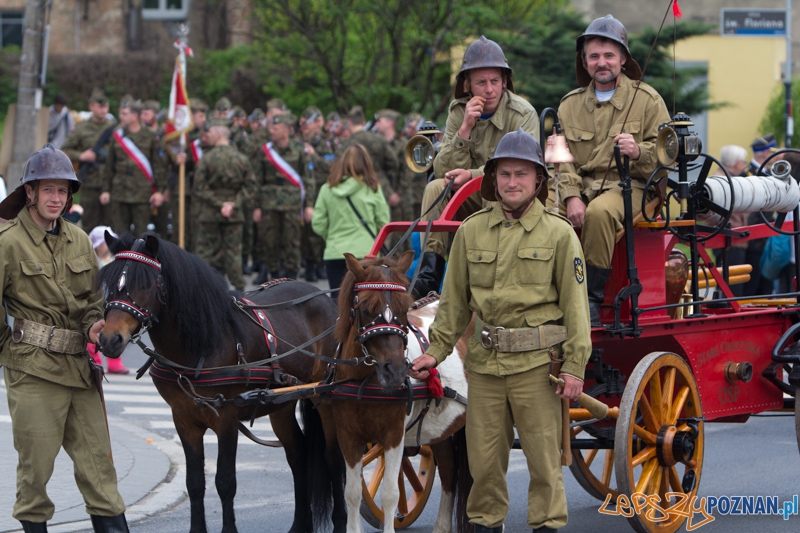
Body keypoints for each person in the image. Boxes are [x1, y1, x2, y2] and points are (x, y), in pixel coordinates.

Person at [408, 130, 591, 533]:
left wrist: (575, 367)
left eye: (521, 174)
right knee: (484, 467)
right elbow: (453, 303)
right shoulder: (472, 230)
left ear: (538, 180)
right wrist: (434, 353)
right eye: (505, 174)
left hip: (536, 368)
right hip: (485, 369)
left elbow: (577, 311)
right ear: (493, 179)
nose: (512, 182)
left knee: (544, 465)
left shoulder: (559, 234)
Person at [0, 144, 129, 532]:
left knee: (100, 472)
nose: (56, 198)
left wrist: (94, 324)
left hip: (79, 370)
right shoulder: (7, 242)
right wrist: (7, 348)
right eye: (48, 190)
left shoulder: (78, 240)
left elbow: (93, 301)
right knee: (35, 476)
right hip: (34, 373)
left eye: (63, 191)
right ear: (31, 192)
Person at [555, 14, 670, 326]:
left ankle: (591, 301)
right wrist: (570, 197)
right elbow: (562, 160)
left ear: (622, 59)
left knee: (599, 212)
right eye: (594, 56)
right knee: (537, 215)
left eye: (609, 55)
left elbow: (667, 157)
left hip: (634, 188)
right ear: (585, 61)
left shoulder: (647, 100)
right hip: (583, 188)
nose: (601, 62)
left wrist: (639, 151)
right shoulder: (569, 105)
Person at [415, 35, 539, 297]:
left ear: (505, 82)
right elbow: (442, 170)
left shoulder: (523, 113)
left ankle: (492, 275)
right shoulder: (458, 111)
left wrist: (471, 175)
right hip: (469, 197)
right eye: (481, 82)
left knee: (500, 191)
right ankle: (429, 274)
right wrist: (464, 130)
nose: (489, 90)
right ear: (468, 85)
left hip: (513, 198)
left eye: (495, 81)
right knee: (435, 187)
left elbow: (520, 170)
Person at [312, 143, 390, 300]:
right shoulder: (372, 188)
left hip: (335, 252)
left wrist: (332, 236)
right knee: (366, 303)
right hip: (366, 254)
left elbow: (317, 223)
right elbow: (384, 223)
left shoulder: (327, 189)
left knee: (339, 303)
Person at [193, 123, 257, 292]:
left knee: (207, 252)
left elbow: (199, 187)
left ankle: (205, 288)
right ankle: (240, 289)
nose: (208, 135)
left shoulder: (207, 158)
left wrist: (219, 203)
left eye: (210, 132)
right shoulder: (241, 158)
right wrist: (234, 204)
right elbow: (250, 187)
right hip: (234, 214)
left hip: (210, 212)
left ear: (219, 134)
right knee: (233, 253)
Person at [252, 113, 313, 282]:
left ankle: (292, 276)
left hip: (292, 204)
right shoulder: (265, 151)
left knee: (292, 241)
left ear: (287, 131)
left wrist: (309, 205)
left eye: (275, 128)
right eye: (271, 127)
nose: (271, 131)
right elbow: (256, 180)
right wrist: (256, 206)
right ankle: (274, 274)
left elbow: (308, 179)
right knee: (270, 241)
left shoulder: (300, 150)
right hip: (269, 203)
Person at [100, 99, 167, 235]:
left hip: (142, 194)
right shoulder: (117, 135)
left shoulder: (150, 136)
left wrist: (159, 191)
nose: (121, 117)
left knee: (141, 235)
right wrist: (106, 190)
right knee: (119, 234)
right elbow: (109, 166)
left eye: (124, 114)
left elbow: (158, 167)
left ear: (134, 116)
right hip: (119, 192)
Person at [61, 88, 115, 232]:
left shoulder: (114, 128)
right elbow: (65, 149)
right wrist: (82, 156)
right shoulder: (81, 128)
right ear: (91, 107)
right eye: (100, 106)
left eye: (106, 106)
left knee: (111, 225)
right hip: (90, 181)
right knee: (89, 224)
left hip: (111, 183)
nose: (104, 110)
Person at [87, 225, 129, 374]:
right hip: (95, 303)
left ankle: (115, 363)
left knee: (113, 333)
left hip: (112, 304)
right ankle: (95, 362)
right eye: (104, 242)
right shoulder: (92, 262)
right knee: (95, 335)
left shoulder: (115, 261)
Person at [300, 105, 334, 282]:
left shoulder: (324, 143)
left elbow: (330, 166)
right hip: (302, 189)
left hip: (321, 188)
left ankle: (317, 264)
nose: (309, 127)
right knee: (304, 231)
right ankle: (308, 263)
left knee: (317, 229)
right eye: (305, 123)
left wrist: (313, 155)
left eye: (312, 122)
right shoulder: (296, 141)